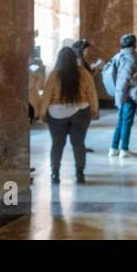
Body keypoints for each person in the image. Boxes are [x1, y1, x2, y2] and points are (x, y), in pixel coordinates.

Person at [40, 45, 100, 183]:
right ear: (74, 59)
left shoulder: (54, 75)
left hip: (56, 114)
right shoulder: (83, 73)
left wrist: (42, 112)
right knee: (78, 144)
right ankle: (80, 174)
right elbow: (91, 92)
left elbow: (47, 95)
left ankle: (55, 173)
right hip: (81, 112)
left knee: (57, 144)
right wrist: (95, 109)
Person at [105, 33, 137, 157]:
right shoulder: (133, 58)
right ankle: (124, 149)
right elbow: (130, 79)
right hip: (129, 94)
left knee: (121, 121)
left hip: (121, 93)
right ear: (134, 44)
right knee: (127, 122)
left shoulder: (117, 56)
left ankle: (114, 147)